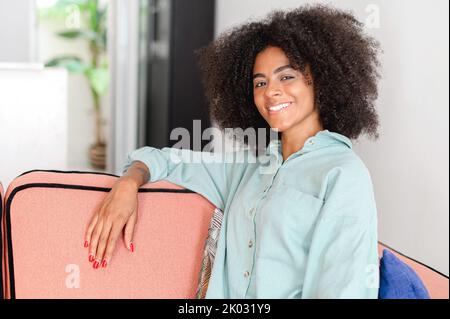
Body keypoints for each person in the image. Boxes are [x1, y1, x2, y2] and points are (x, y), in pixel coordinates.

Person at [84, 4, 381, 298]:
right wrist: (128, 183)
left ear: (320, 79)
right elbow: (165, 159)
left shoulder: (344, 175)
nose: (270, 92)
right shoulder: (249, 172)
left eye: (286, 76)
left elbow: (344, 290)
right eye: (260, 82)